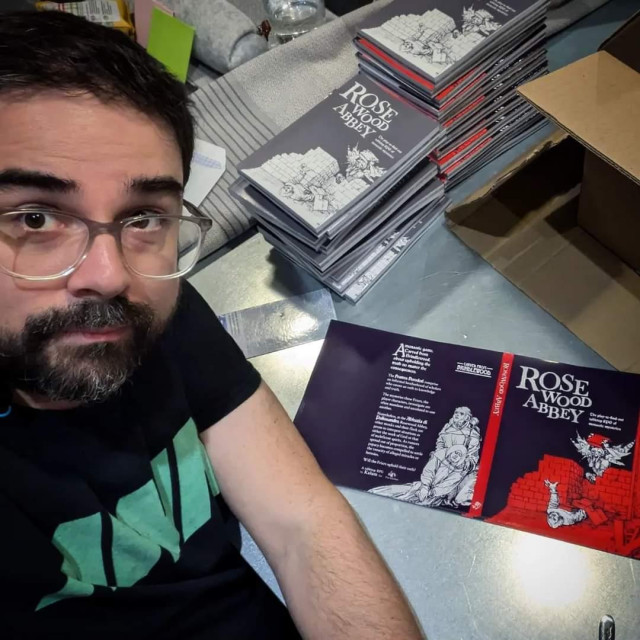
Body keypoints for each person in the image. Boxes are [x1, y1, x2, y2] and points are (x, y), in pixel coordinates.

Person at [0, 11, 424, 640]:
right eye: (36, 218)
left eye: (144, 217)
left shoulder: (157, 309)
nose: (111, 274)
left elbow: (300, 522)